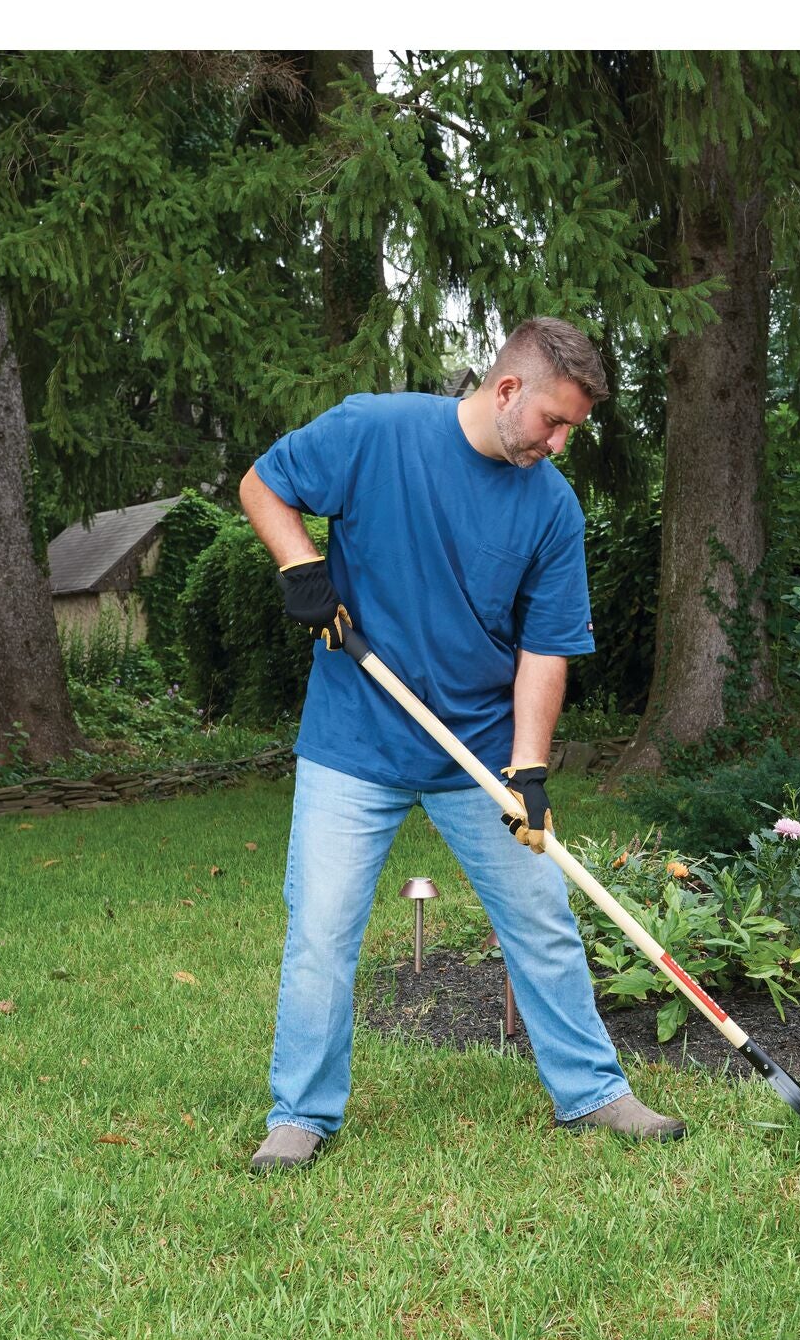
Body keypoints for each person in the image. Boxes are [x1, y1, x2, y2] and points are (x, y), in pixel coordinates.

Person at [237, 316, 685, 1172]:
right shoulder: (375, 432)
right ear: (506, 389)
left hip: (475, 747)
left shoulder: (552, 506)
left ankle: (594, 1092)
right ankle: (301, 1115)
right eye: (553, 422)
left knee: (541, 915)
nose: (558, 444)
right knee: (324, 928)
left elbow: (545, 648)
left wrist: (530, 767)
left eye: (573, 432)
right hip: (354, 734)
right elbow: (264, 484)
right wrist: (301, 566)